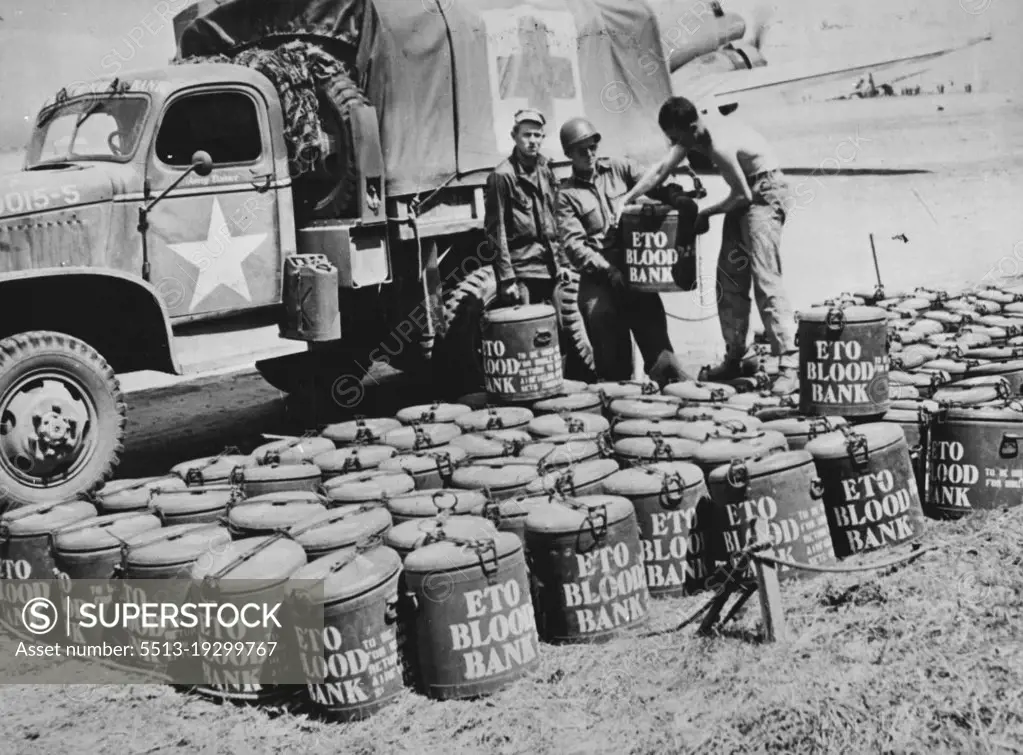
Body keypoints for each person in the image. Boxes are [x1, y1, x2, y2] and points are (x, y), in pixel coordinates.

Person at [617, 95, 799, 395]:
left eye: (676, 138)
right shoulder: (692, 132)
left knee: (765, 279)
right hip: (745, 194)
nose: (675, 145)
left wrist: (706, 213)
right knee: (727, 280)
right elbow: (661, 169)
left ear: (690, 127)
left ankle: (789, 363)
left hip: (764, 193)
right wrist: (627, 198)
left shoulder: (719, 144)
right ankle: (737, 358)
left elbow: (743, 196)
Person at [555, 116, 694, 386]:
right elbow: (574, 246)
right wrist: (609, 271)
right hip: (599, 282)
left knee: (662, 357)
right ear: (568, 154)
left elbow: (654, 183)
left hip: (637, 273)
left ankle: (673, 406)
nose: (589, 153)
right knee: (613, 368)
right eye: (580, 149)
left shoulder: (620, 168)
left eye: (592, 146)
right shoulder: (566, 194)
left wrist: (678, 198)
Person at [484, 109, 566, 306]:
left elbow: (557, 217)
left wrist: (563, 262)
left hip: (551, 267)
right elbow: (496, 230)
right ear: (514, 136)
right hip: (522, 271)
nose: (532, 140)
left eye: (537, 135)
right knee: (528, 331)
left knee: (560, 328)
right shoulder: (502, 176)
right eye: (526, 134)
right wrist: (507, 278)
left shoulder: (545, 169)